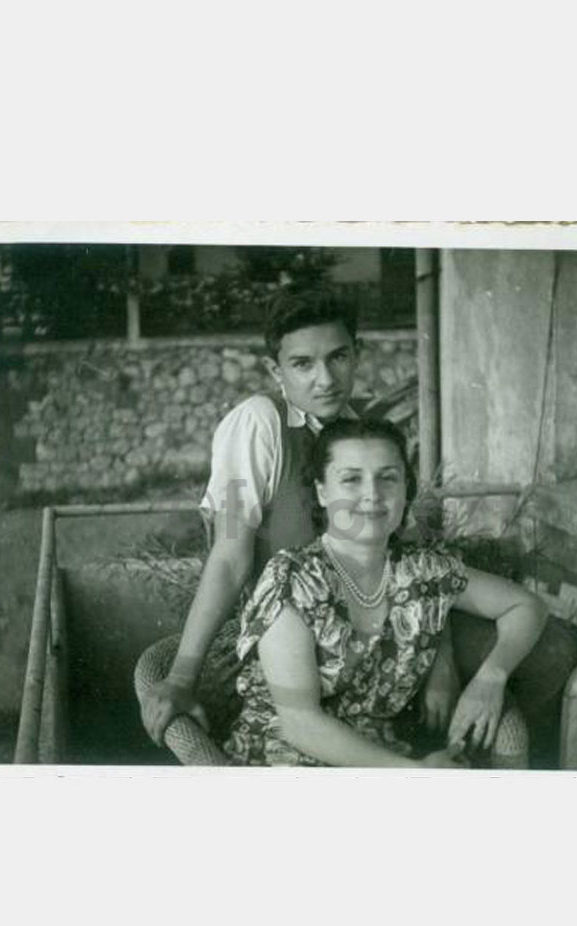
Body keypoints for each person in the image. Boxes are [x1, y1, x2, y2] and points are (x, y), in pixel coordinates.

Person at [136, 284, 459, 748]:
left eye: (338, 357)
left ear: (357, 353)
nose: (325, 379)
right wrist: (183, 677)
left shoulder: (360, 434)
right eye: (303, 364)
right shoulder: (257, 423)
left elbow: (405, 563)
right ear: (276, 369)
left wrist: (442, 664)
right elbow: (229, 555)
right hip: (282, 646)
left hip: (368, 646)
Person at [221, 418, 548, 767]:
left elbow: (526, 606)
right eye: (351, 479)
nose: (372, 494)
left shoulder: (424, 570)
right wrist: (416, 773)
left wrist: (491, 676)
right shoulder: (293, 580)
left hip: (383, 760)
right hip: (284, 763)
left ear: (406, 488)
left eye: (388, 477)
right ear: (322, 492)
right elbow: (301, 724)